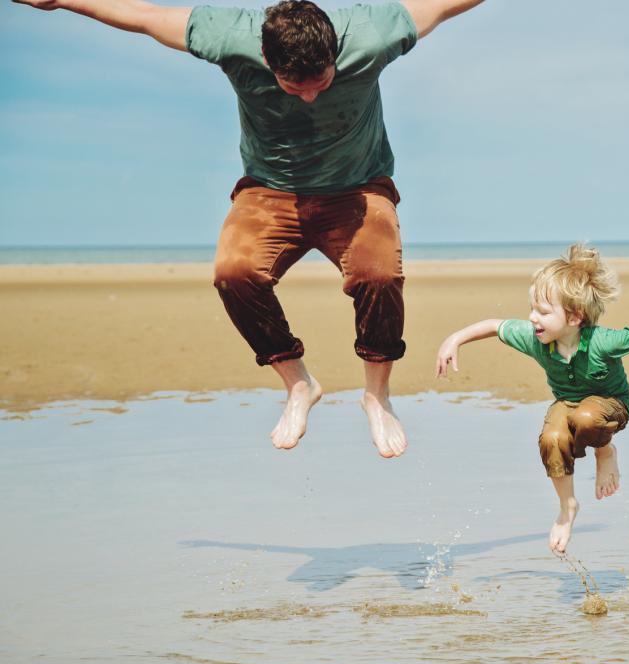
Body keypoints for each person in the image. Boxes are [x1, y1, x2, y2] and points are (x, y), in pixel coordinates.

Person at [13, 0, 485, 457]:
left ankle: (376, 397)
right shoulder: (229, 35)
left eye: (321, 82)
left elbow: (443, 4)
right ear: (265, 56)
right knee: (234, 274)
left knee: (378, 275)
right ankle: (298, 384)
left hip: (358, 187)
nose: (309, 96)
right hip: (269, 190)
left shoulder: (372, 33)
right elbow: (144, 15)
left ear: (335, 52)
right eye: (293, 86)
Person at [435, 243, 629, 554]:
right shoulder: (535, 338)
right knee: (551, 439)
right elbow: (493, 326)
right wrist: (453, 339)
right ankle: (567, 507)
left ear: (574, 317)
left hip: (611, 405)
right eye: (532, 308)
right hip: (566, 404)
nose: (532, 317)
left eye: (543, 312)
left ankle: (605, 452)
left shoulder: (603, 341)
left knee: (586, 417)